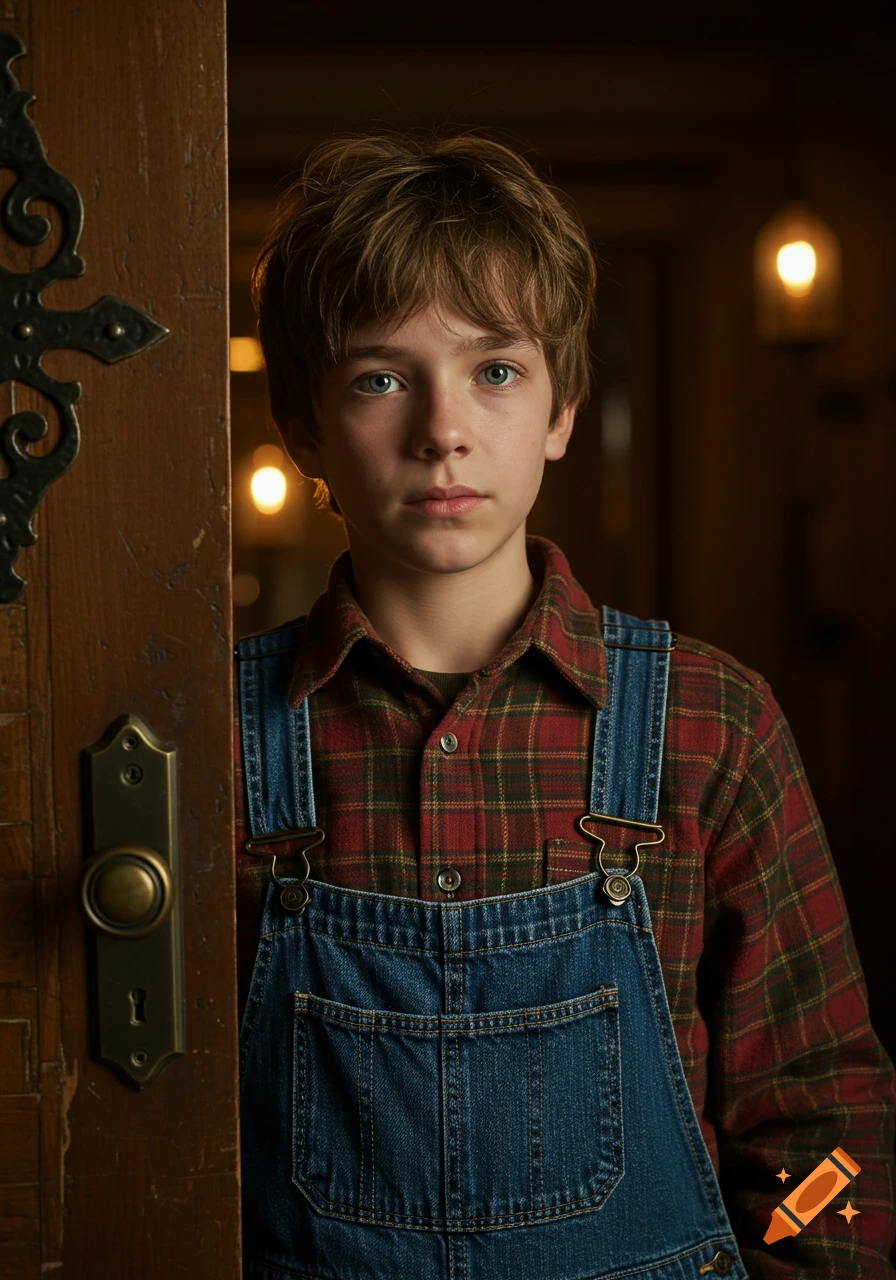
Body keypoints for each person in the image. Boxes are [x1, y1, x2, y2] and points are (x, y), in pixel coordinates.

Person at [233, 128, 896, 1280]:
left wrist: (809, 1263)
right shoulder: (208, 735)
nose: (442, 430)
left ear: (560, 409)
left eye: (494, 370)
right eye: (380, 377)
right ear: (303, 427)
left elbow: (824, 1115)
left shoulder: (710, 723)